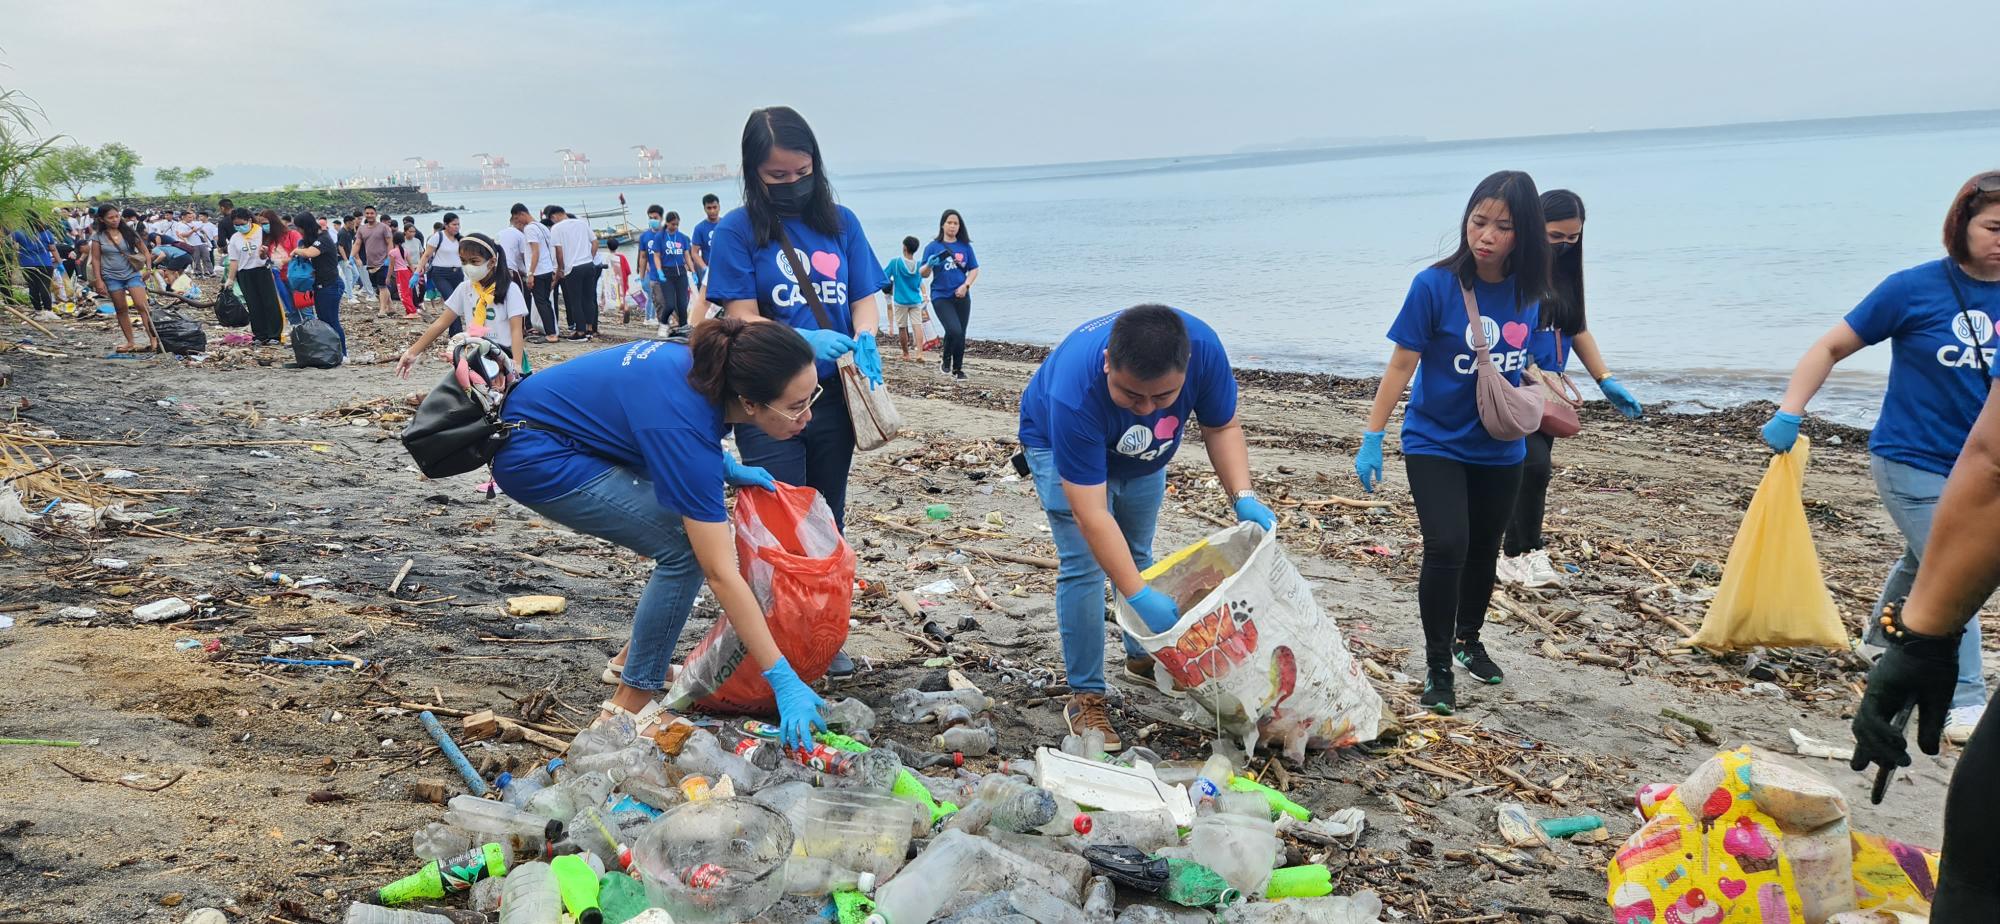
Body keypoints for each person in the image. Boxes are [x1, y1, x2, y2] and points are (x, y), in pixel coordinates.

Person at [488, 319, 831, 748]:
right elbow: (720, 573)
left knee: (687, 541)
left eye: (811, 396)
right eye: (796, 405)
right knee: (685, 550)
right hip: (536, 454)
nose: (808, 415)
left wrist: (724, 467)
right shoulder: (687, 426)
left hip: (558, 430)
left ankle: (628, 660)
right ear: (748, 402)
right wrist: (781, 678)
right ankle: (631, 699)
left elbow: (640, 418)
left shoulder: (704, 368)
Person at [1767, 170, 2000, 744]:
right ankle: (1965, 699)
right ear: (1961, 225)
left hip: (1980, 469)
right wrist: (1791, 409)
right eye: (1994, 226)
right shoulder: (1911, 289)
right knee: (1955, 571)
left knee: (1927, 562)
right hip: (1911, 458)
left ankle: (1882, 635)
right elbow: (1830, 345)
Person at [1017, 305, 1274, 749]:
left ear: (1186, 368)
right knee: (1085, 564)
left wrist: (1243, 496)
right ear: (1107, 365)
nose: (1147, 409)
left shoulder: (1204, 351)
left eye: (1163, 397)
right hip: (1057, 444)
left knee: (1137, 552)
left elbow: (1222, 425)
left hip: (1143, 459)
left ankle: (1142, 656)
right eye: (1133, 396)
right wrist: (1136, 596)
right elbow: (1091, 515)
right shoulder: (1074, 392)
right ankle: (1087, 696)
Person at [1355, 170, 1550, 716]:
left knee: (1485, 549)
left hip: (1500, 446)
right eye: (1478, 220)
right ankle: (1438, 663)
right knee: (1448, 546)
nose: (1485, 235)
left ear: (1525, 234)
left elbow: (1527, 357)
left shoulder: (1530, 289)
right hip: (1434, 441)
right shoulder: (1434, 285)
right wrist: (1374, 434)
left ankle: (1469, 641)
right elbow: (1401, 364)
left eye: (1502, 226)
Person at [1497, 190, 1645, 589]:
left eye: (1573, 238)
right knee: (1532, 466)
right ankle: (1518, 553)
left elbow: (1576, 328)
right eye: (1556, 236)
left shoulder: (1565, 275)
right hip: (1513, 385)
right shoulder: (1512, 272)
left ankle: (1518, 552)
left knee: (1532, 471)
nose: (1565, 245)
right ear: (1534, 229)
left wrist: (1605, 379)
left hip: (1549, 392)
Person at [395, 233, 528, 377]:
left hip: (506, 356)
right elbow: (441, 323)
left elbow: (516, 330)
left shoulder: (510, 289)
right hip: (477, 356)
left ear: (491, 262)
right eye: (463, 261)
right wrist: (412, 352)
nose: (468, 266)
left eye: (474, 261)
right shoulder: (465, 289)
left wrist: (517, 364)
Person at [87, 204, 157, 353]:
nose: (114, 220)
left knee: (142, 306)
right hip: (111, 276)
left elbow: (145, 251)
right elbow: (96, 259)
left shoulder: (128, 232)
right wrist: (99, 280)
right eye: (110, 218)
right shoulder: (98, 237)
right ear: (102, 219)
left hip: (132, 273)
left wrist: (149, 269)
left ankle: (153, 339)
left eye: (116, 216)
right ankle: (130, 342)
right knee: (121, 309)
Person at [921, 209, 979, 379]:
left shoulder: (965, 246)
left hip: (962, 296)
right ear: (943, 224)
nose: (953, 226)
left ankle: (958, 369)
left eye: (956, 223)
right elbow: (923, 273)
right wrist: (930, 265)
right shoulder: (932, 247)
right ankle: (946, 359)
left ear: (960, 226)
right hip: (941, 295)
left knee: (961, 332)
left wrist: (966, 286)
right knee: (953, 329)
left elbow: (974, 269)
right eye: (949, 223)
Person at [222, 207, 284, 345]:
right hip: (244, 273)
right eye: (236, 225)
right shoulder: (235, 238)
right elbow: (234, 260)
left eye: (242, 224)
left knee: (270, 303)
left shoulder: (262, 232)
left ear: (249, 220)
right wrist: (230, 279)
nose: (239, 227)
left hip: (262, 270)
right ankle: (260, 335)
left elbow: (275, 247)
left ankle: (274, 334)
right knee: (253, 304)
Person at [291, 212, 347, 355]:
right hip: (321, 286)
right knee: (324, 321)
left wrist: (297, 250)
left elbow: (310, 253)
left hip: (331, 286)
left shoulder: (323, 238)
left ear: (306, 226)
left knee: (332, 321)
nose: (298, 231)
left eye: (299, 228)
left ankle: (343, 353)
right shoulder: (314, 238)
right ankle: (331, 351)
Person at [547, 204, 599, 340]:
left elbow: (559, 252)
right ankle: (589, 329)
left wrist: (561, 268)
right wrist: (590, 257)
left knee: (575, 301)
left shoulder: (556, 228)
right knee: (588, 298)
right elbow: (595, 242)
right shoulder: (581, 223)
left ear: (554, 216)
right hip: (588, 265)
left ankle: (580, 332)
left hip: (572, 268)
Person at [416, 213, 466, 334]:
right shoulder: (438, 237)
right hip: (440, 274)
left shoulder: (460, 239)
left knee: (458, 303)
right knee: (451, 301)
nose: (457, 227)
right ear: (446, 225)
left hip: (457, 274)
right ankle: (457, 332)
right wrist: (417, 272)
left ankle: (453, 332)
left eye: (458, 224)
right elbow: (426, 255)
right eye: (454, 224)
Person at [646, 209, 694, 331]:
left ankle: (683, 327)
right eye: (673, 224)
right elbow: (656, 256)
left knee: (683, 304)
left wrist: (693, 271)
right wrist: (659, 271)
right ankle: (663, 324)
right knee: (670, 304)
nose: (675, 227)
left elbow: (687, 255)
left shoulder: (682, 237)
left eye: (677, 224)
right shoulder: (660, 237)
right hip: (667, 274)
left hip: (681, 273)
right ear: (667, 223)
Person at [883, 235, 928, 362]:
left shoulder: (895, 263)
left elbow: (884, 276)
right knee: (917, 326)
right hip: (915, 300)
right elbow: (920, 282)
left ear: (904, 247)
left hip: (900, 301)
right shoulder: (920, 265)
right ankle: (919, 353)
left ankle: (906, 354)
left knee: (902, 327)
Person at [9, 219, 57, 315]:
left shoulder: (19, 233)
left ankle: (38, 310)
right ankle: (48, 311)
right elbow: (53, 248)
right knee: (44, 286)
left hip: (27, 263)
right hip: (45, 263)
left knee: (33, 287)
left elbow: (9, 242)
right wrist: (59, 262)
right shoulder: (46, 233)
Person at [355, 205, 395, 318]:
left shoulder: (384, 227)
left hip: (383, 262)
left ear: (376, 214)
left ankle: (382, 310)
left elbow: (389, 243)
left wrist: (389, 257)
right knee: (377, 286)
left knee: (382, 286)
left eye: (371, 213)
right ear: (364, 215)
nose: (369, 215)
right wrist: (353, 257)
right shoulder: (362, 229)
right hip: (370, 263)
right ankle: (390, 306)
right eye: (367, 213)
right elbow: (357, 243)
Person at [689, 192, 722, 293]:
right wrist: (704, 267)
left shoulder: (726, 224)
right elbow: (694, 252)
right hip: (708, 270)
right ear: (704, 208)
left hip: (725, 268)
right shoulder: (700, 228)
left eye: (714, 207)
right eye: (709, 208)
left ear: (719, 206)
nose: (712, 211)